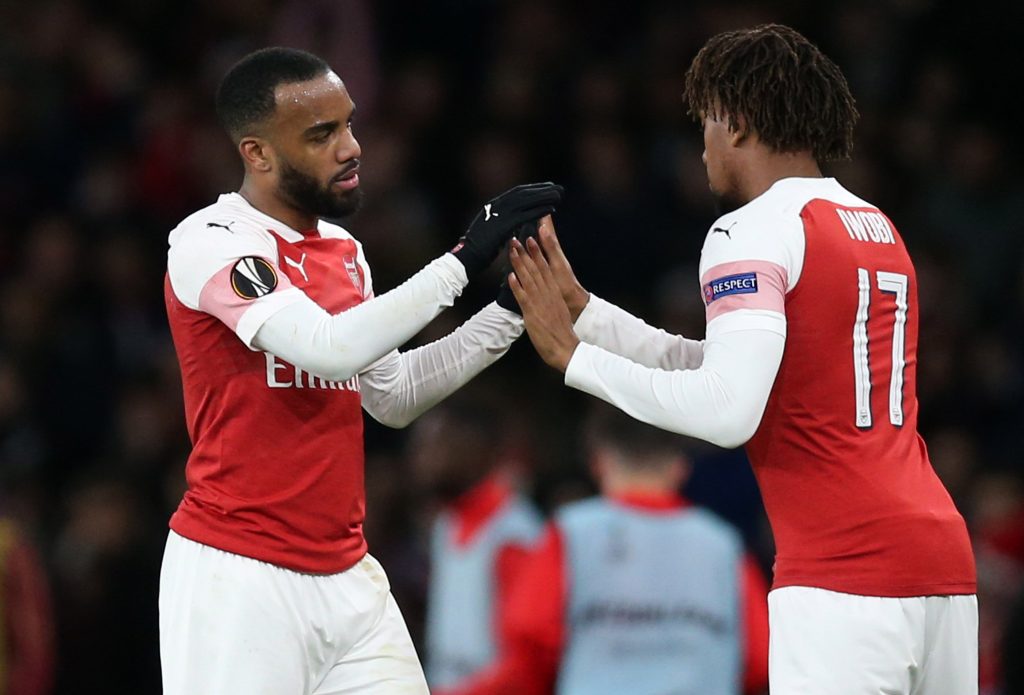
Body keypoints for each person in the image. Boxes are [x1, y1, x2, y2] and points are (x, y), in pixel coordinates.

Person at [507, 24, 977, 695]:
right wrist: (589, 315)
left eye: (706, 124)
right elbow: (737, 365)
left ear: (741, 123)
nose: (701, 148)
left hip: (842, 573)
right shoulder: (876, 224)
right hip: (941, 562)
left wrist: (576, 360)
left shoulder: (748, 227)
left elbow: (728, 409)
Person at [160, 46, 561, 695]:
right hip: (237, 578)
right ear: (257, 154)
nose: (351, 147)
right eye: (322, 135)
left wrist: (509, 310)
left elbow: (392, 395)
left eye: (348, 124)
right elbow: (327, 347)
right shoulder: (211, 240)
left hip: (349, 577)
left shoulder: (345, 250)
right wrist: (461, 262)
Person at [439, 404, 769, 695]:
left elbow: (530, 648)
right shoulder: (723, 545)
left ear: (597, 462)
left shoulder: (571, 534)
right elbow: (758, 661)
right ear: (680, 466)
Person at [408, 399, 543, 692]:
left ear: (476, 448)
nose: (420, 459)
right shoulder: (446, 524)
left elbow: (525, 661)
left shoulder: (513, 536)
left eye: (435, 445)